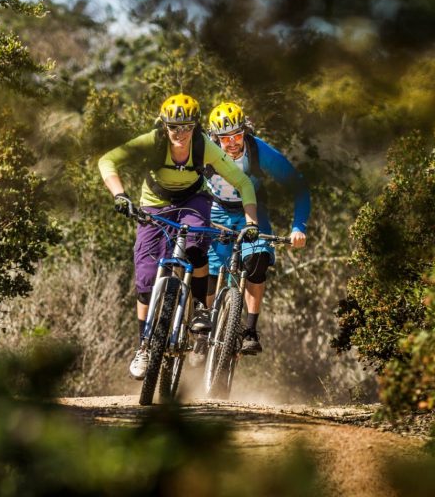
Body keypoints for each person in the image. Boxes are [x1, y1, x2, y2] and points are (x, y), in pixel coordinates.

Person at [98, 93, 260, 380]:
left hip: (193, 200)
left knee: (197, 249)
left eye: (187, 127)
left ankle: (199, 308)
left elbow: (243, 182)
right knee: (146, 279)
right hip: (155, 204)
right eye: (174, 127)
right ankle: (144, 346)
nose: (180, 134)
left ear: (195, 126)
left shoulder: (204, 147)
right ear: (164, 125)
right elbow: (107, 161)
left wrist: (250, 221)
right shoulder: (153, 142)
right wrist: (120, 195)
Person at [204, 101, 310, 354]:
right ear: (213, 137)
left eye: (237, 135)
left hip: (252, 210)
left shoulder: (259, 151)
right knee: (207, 269)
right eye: (224, 138)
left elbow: (299, 188)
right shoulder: (203, 152)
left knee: (258, 259)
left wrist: (298, 227)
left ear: (246, 131)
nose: (231, 143)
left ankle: (250, 330)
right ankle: (204, 328)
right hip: (216, 209)